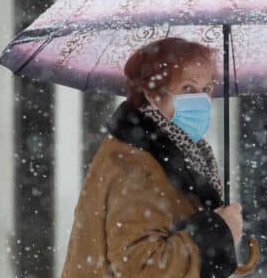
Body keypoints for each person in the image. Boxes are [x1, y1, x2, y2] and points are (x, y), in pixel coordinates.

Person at [61, 37, 243, 277]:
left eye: (207, 89)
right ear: (151, 91)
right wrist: (219, 233)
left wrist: (222, 235)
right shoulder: (136, 163)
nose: (200, 99)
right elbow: (141, 267)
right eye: (188, 88)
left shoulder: (180, 152)